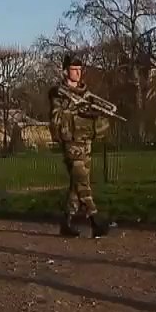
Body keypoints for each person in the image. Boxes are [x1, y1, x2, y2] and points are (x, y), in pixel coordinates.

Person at [47, 54, 112, 238]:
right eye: (74, 70)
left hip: (86, 141)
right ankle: (94, 219)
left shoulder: (86, 93)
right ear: (66, 71)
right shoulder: (58, 93)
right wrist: (76, 112)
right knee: (82, 181)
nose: (78, 73)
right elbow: (57, 118)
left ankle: (66, 223)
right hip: (71, 142)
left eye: (79, 69)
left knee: (77, 184)